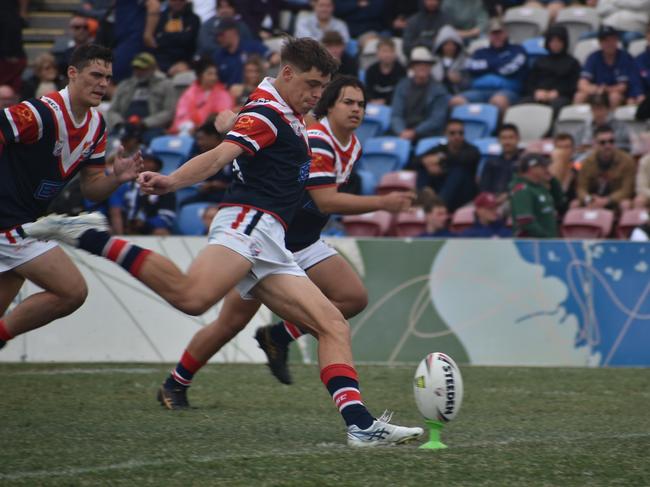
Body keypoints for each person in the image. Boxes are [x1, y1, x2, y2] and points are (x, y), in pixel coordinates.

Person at [25, 38, 423, 447]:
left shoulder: (279, 106)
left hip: (272, 238)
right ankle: (89, 235)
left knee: (333, 323)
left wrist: (228, 117)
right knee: (192, 297)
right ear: (287, 74)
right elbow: (219, 156)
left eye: (323, 87)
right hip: (248, 223)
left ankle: (359, 425)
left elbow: (232, 121)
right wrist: (171, 180)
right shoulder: (270, 113)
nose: (318, 95)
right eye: (312, 84)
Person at [157, 74, 413, 400]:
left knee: (352, 297)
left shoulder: (353, 147)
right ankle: (175, 383)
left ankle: (279, 335)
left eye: (361, 104)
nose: (356, 110)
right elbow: (326, 200)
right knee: (230, 322)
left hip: (302, 240)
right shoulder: (318, 140)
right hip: (272, 240)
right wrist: (383, 204)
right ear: (328, 107)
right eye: (348, 102)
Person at [0, 44, 143, 351]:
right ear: (73, 74)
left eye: (107, 77)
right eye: (96, 74)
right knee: (72, 291)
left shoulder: (96, 126)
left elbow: (92, 187)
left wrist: (116, 178)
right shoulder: (41, 112)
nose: (103, 83)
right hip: (9, 222)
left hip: (26, 220)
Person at [452, 18, 527, 113]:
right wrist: (497, 63)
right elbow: (470, 67)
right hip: (479, 91)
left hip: (507, 91)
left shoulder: (517, 50)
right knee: (456, 101)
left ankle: (502, 127)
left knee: (498, 101)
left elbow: (509, 70)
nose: (497, 36)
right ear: (488, 35)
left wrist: (486, 66)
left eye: (499, 33)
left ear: (506, 33)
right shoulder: (480, 52)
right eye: (493, 34)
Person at [106, 52, 177, 143]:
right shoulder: (124, 85)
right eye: (136, 68)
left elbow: (169, 111)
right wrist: (119, 123)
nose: (138, 72)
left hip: (151, 128)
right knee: (110, 142)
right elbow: (112, 110)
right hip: (126, 126)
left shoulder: (166, 85)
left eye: (143, 69)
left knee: (153, 142)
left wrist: (145, 123)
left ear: (153, 69)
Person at [416, 118, 481, 211]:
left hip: (463, 195)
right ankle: (423, 201)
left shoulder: (472, 150)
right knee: (424, 167)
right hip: (441, 188)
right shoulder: (440, 148)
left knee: (458, 170)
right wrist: (428, 163)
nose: (457, 136)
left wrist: (440, 159)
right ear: (445, 133)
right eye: (452, 133)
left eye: (460, 133)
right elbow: (415, 160)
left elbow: (463, 159)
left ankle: (438, 206)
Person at [573, 26, 644, 108]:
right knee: (579, 96)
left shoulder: (624, 57)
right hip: (596, 92)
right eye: (605, 41)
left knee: (614, 97)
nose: (609, 43)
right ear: (600, 43)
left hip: (618, 94)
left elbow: (623, 86)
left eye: (612, 40)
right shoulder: (593, 57)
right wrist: (595, 90)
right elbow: (582, 83)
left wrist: (606, 90)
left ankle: (610, 120)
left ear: (617, 40)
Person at [109, 150, 176, 235]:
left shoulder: (164, 186)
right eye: (143, 161)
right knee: (106, 231)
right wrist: (121, 231)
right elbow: (115, 210)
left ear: (158, 166)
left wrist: (144, 224)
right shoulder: (124, 185)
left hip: (149, 229)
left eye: (151, 162)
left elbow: (167, 217)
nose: (146, 165)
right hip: (124, 226)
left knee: (161, 232)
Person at [390, 46, 449, 142]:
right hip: (402, 133)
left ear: (430, 67)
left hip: (427, 134)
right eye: (418, 64)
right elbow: (396, 114)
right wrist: (401, 131)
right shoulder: (402, 86)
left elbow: (436, 119)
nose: (422, 67)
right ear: (412, 68)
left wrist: (415, 132)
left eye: (426, 64)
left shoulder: (439, 90)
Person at [572, 125, 635, 211]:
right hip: (593, 200)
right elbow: (581, 188)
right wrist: (588, 199)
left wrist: (607, 200)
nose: (607, 145)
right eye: (602, 142)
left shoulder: (627, 161)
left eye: (611, 141)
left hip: (615, 201)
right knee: (575, 204)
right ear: (594, 144)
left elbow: (627, 190)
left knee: (626, 204)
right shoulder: (587, 162)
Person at [524, 25, 580, 114]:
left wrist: (558, 92)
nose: (555, 44)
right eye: (552, 41)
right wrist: (536, 92)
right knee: (523, 104)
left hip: (561, 97)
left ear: (564, 43)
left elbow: (573, 84)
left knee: (556, 106)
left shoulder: (572, 62)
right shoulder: (539, 61)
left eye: (558, 41)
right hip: (539, 95)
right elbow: (530, 81)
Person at [171, 58, 234, 134]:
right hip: (189, 130)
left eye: (215, 74)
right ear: (200, 75)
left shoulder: (223, 94)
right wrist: (191, 126)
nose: (214, 77)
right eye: (210, 74)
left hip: (212, 132)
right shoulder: (189, 93)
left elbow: (223, 117)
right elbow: (182, 114)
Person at [509, 153, 560, 238]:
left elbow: (560, 201)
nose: (546, 170)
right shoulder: (522, 190)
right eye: (543, 167)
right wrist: (545, 237)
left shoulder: (540, 188)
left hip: (547, 242)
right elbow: (525, 220)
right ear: (532, 168)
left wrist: (553, 181)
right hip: (531, 244)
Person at [150, 0, 201, 74]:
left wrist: (188, 64)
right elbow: (154, 42)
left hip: (183, 63)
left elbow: (194, 45)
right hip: (159, 63)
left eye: (181, 0)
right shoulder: (160, 18)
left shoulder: (194, 19)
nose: (177, 2)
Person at [478, 123, 523, 203]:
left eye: (511, 137)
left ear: (518, 139)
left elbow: (523, 186)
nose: (507, 141)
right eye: (503, 138)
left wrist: (508, 195)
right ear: (498, 140)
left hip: (514, 201)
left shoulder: (523, 162)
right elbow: (484, 188)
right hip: (491, 201)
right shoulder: (491, 162)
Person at [364, 37, 407, 105]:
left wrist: (384, 101)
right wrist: (372, 100)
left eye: (391, 51)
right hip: (373, 104)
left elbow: (401, 93)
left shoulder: (401, 71)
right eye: (384, 51)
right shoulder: (371, 70)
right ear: (377, 53)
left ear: (395, 53)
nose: (387, 55)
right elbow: (368, 91)